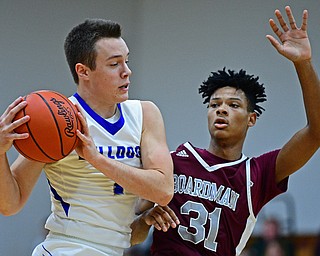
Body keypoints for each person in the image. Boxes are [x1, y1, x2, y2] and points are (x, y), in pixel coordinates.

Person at [131, 6, 320, 256]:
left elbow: (316, 133)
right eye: (214, 105)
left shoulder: (257, 175)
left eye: (233, 105)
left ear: (251, 118)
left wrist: (303, 64)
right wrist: (145, 219)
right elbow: (131, 235)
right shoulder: (173, 161)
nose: (221, 110)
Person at [0, 19, 174, 255]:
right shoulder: (57, 120)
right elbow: (10, 204)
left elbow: (163, 190)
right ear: (83, 71)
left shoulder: (145, 114)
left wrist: (96, 159)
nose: (127, 71)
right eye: (114, 64)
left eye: (127, 61)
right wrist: (0, 153)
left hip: (115, 249)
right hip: (65, 247)